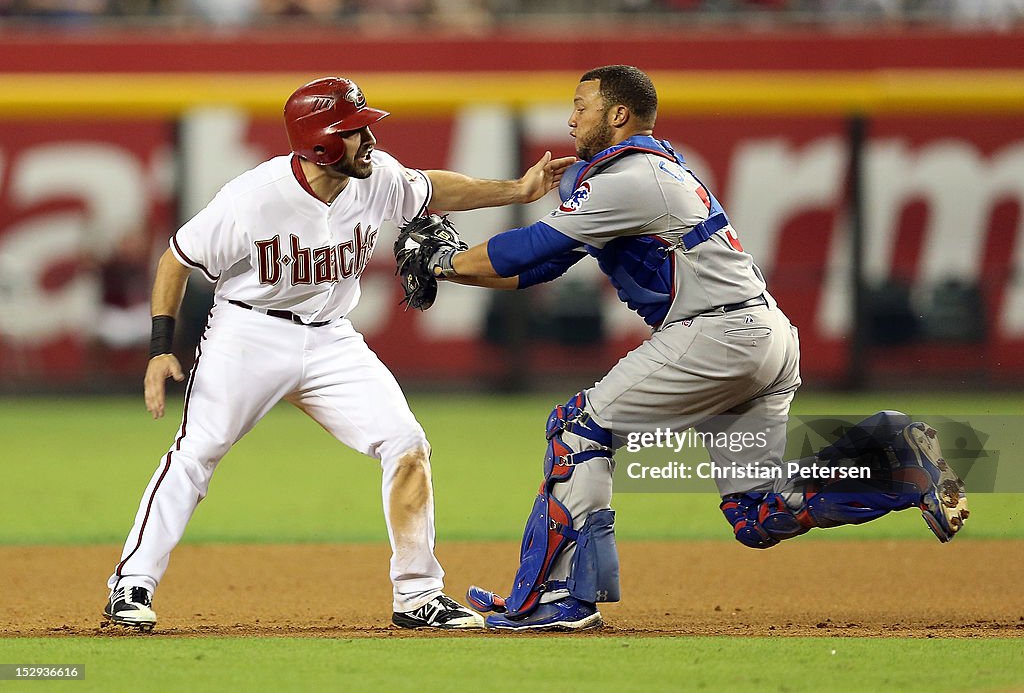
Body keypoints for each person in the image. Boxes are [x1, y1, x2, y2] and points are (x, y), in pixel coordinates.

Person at [412, 64, 970, 631]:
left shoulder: (631, 178)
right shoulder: (644, 172)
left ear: (619, 114)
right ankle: (893, 460)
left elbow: (528, 247)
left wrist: (441, 260)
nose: (571, 117)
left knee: (578, 429)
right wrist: (453, 269)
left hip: (717, 334)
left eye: (582, 105)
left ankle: (560, 599)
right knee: (758, 514)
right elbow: (539, 267)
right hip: (761, 337)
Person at [102, 76, 575, 632]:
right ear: (321, 143)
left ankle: (419, 595)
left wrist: (517, 192)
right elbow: (175, 260)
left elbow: (432, 189)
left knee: (406, 443)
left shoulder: (375, 177)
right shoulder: (253, 197)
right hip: (248, 334)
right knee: (197, 452)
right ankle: (130, 585)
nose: (369, 137)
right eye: (354, 130)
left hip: (331, 336)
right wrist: (160, 349)